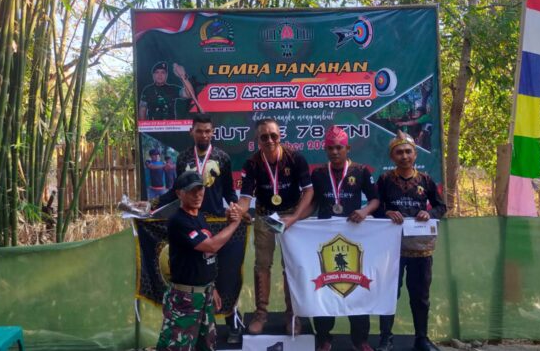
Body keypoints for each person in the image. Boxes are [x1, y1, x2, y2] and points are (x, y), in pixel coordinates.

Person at [284, 125, 380, 351]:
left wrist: (364, 211)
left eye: (339, 148)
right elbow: (314, 205)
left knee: (356, 286)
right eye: (330, 148)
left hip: (354, 241)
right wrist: (295, 219)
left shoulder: (361, 171)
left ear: (347, 148)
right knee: (325, 288)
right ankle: (324, 337)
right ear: (325, 149)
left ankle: (360, 339)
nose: (335, 152)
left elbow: (375, 200)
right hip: (326, 241)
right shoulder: (318, 174)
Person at [158, 113, 243, 342]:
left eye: (207, 131)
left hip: (215, 222)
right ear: (192, 132)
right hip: (191, 222)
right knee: (194, 269)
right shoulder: (183, 157)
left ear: (213, 132)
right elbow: (176, 190)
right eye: (199, 131)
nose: (204, 135)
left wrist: (235, 209)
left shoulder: (222, 157)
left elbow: (229, 191)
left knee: (226, 272)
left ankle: (232, 321)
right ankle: (186, 323)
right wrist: (152, 204)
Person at [238, 118, 313, 336]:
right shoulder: (252, 164)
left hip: (291, 216)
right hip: (265, 216)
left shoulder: (295, 158)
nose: (269, 140)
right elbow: (245, 198)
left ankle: (292, 314)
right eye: (264, 137)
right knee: (262, 265)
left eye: (273, 135)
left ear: (280, 136)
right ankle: (261, 314)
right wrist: (238, 210)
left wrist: (295, 217)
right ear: (257, 140)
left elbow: (309, 191)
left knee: (291, 265)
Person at [375, 131, 446, 351]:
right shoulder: (385, 180)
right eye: (399, 152)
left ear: (415, 154)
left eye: (408, 151)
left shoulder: (425, 180)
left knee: (420, 295)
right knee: (389, 293)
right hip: (391, 247)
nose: (404, 156)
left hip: (419, 248)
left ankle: (421, 339)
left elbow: (441, 206)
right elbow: (375, 207)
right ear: (392, 156)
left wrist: (429, 213)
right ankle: (386, 338)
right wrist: (386, 213)